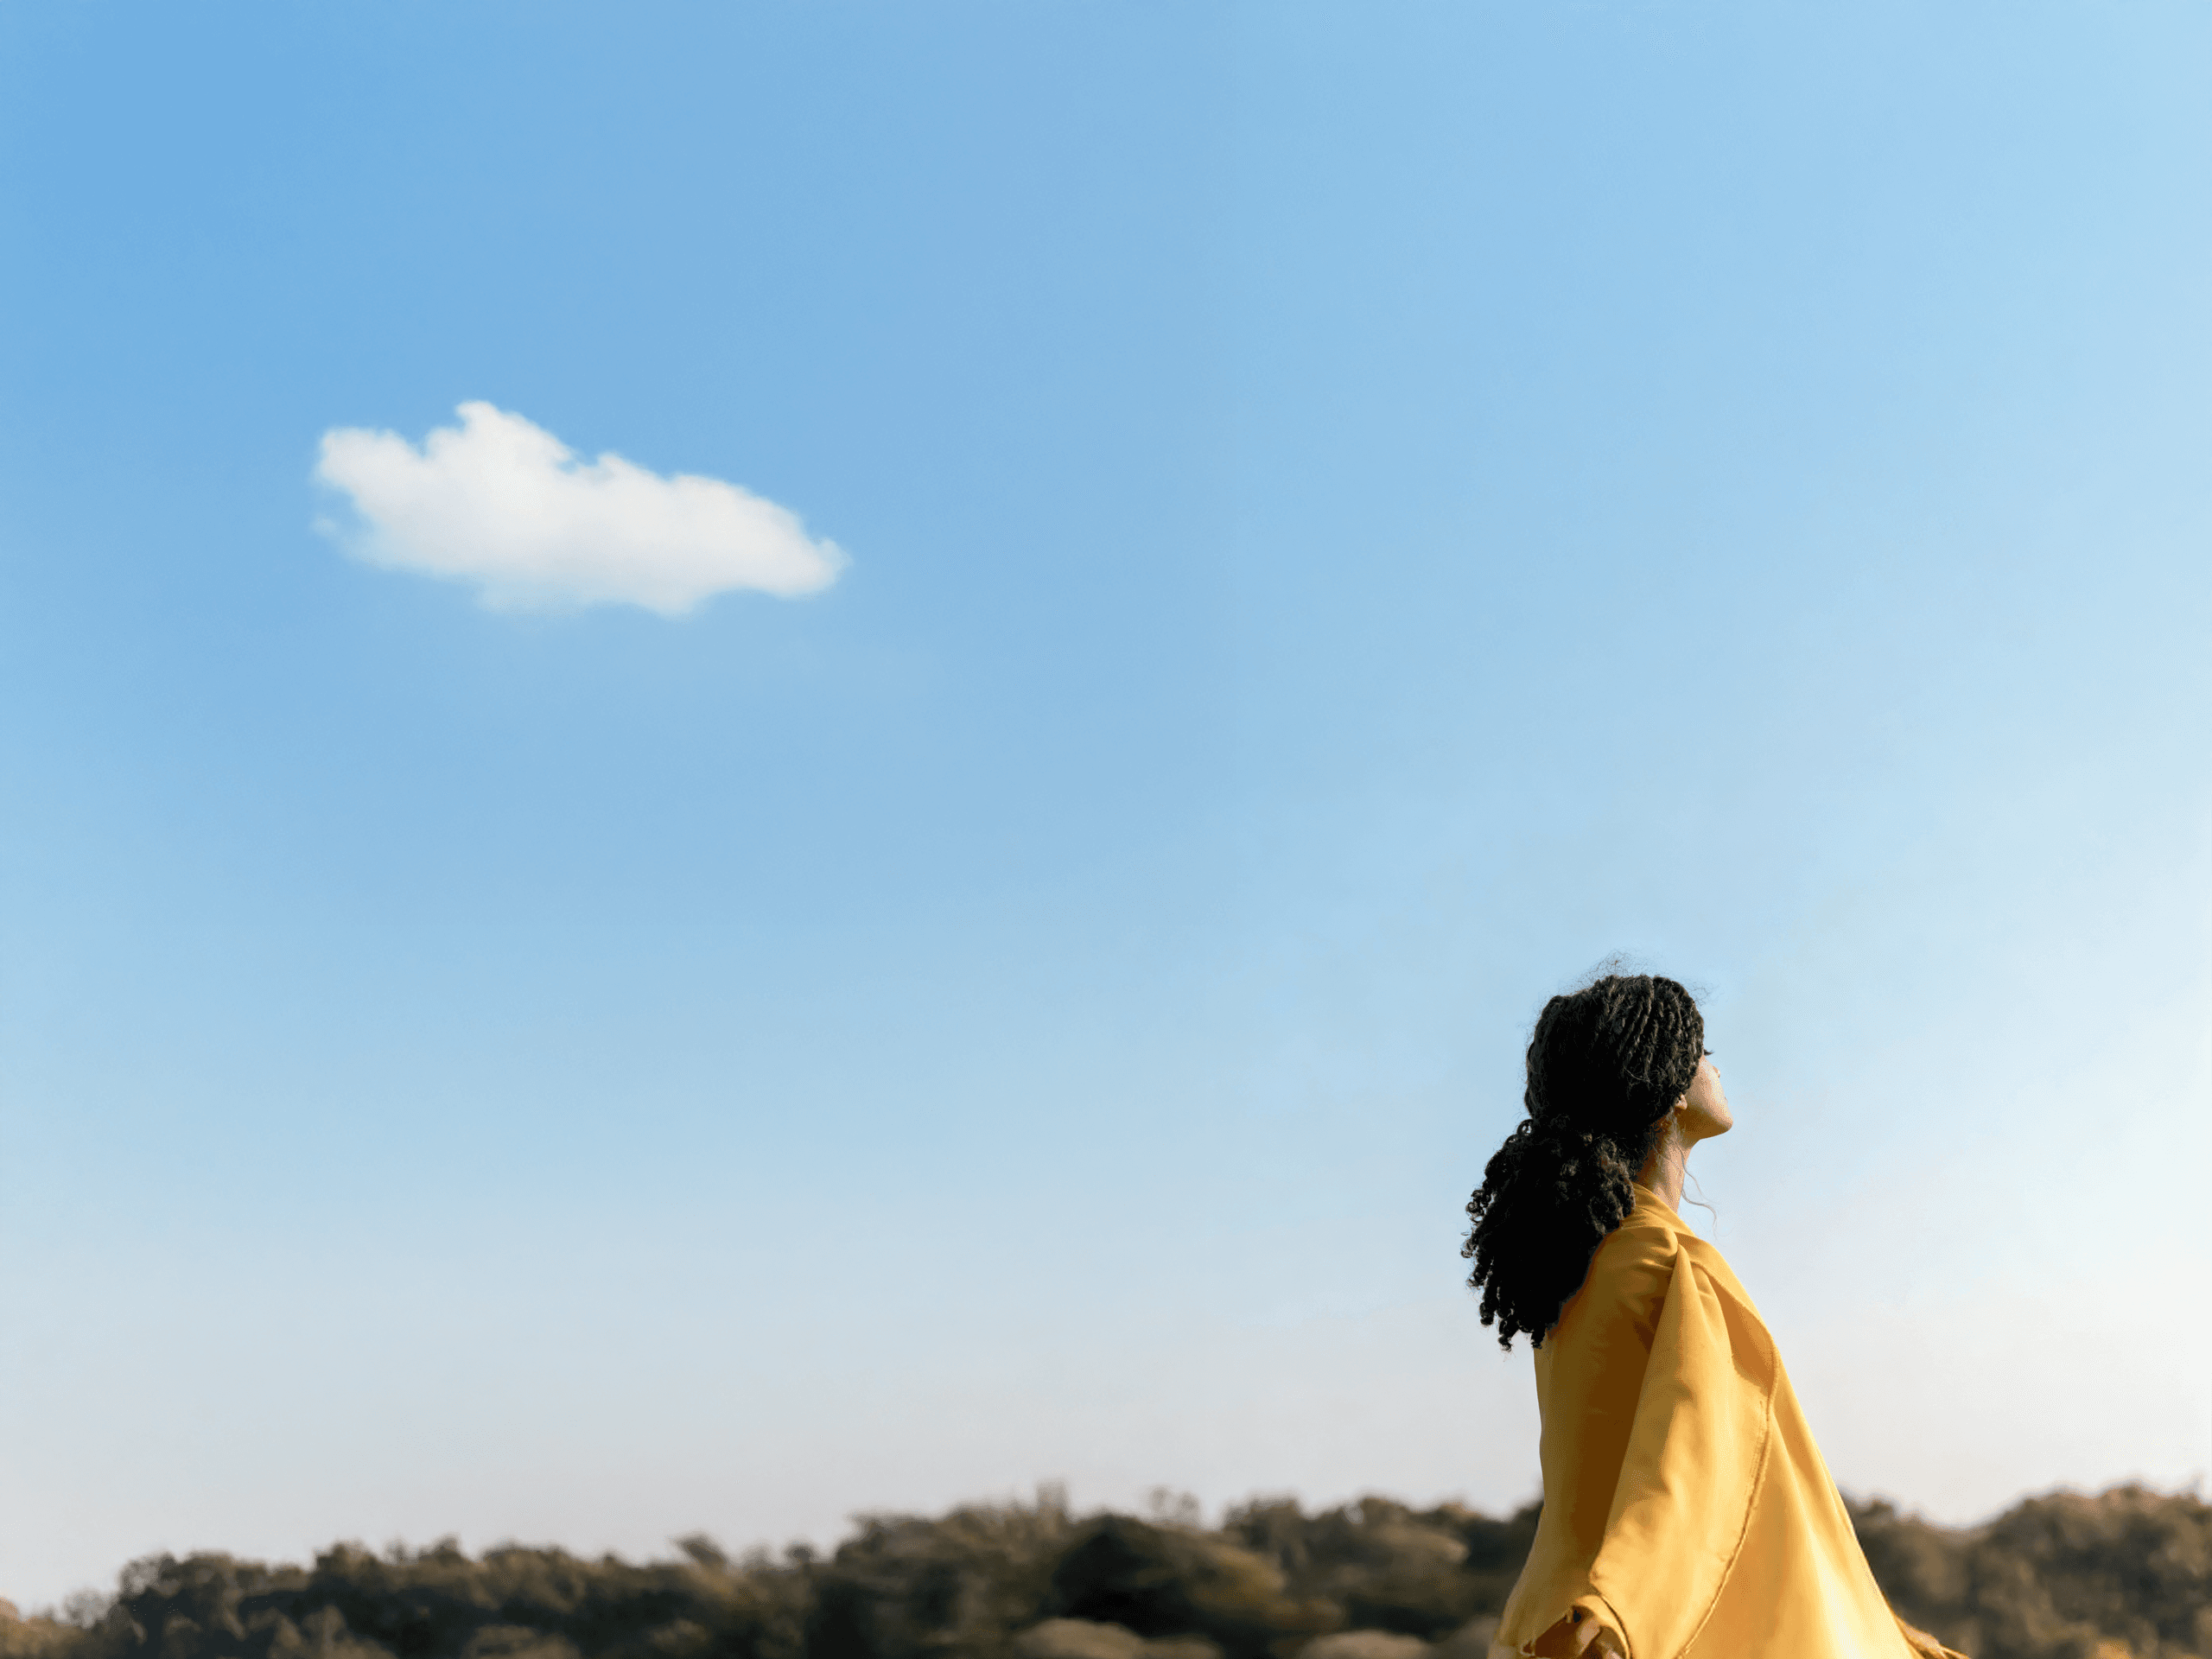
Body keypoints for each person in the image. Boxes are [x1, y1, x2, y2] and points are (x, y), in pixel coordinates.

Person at [1463, 973, 1966, 1659]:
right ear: (1670, 1087)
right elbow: (1693, 1463)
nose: (1716, 1067)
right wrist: (1620, 1615)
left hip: (1551, 1621)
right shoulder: (1666, 1260)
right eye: (1703, 1051)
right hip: (1624, 1632)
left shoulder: (1586, 1261)